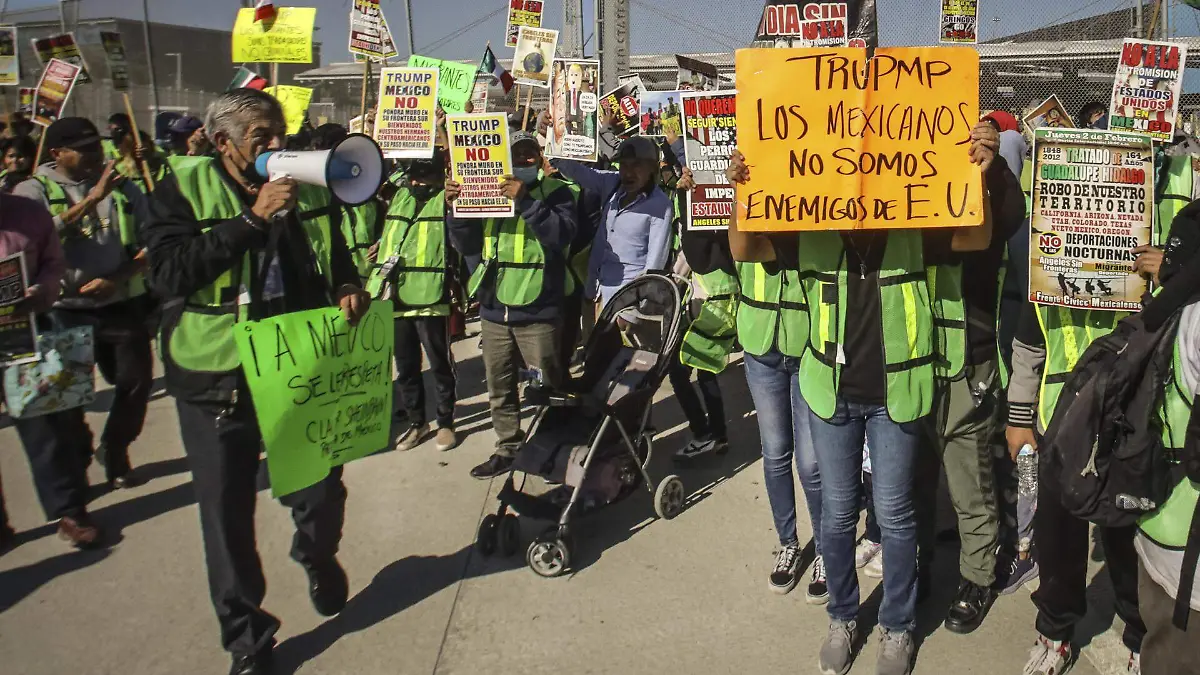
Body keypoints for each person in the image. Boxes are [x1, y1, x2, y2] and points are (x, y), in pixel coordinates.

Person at [726, 119, 1000, 675]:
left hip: (897, 392)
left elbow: (976, 236)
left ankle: (897, 629)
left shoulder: (915, 218)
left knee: (896, 515)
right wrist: (743, 190)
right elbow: (747, 246)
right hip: (829, 393)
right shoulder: (809, 220)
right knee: (834, 514)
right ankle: (843, 617)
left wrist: (977, 175)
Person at [142, 88, 370, 675]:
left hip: (295, 366)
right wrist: (251, 219)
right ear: (223, 144)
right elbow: (169, 274)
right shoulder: (180, 190)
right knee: (226, 516)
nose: (276, 147)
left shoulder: (306, 189)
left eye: (280, 135)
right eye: (260, 139)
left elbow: (335, 250)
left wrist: (346, 285)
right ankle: (249, 638)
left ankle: (316, 552)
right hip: (216, 377)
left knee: (321, 490)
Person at [917, 118, 1026, 635]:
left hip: (969, 350)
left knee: (969, 474)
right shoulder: (893, 182)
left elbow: (1008, 217)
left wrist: (995, 168)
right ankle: (917, 561)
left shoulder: (982, 175)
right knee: (910, 477)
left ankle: (978, 576)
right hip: (906, 357)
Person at [13, 117, 153, 489]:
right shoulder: (32, 191)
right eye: (85, 149)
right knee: (69, 399)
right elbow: (33, 240)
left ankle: (116, 447)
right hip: (62, 310)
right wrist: (93, 200)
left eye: (98, 147)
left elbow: (156, 237)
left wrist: (118, 277)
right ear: (58, 153)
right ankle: (78, 458)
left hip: (117, 303)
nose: (97, 155)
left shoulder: (123, 188)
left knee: (136, 381)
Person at [447, 131, 579, 479]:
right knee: (499, 387)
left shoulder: (558, 192)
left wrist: (525, 201)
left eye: (528, 155)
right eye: (515, 155)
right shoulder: (486, 190)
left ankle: (553, 450)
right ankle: (508, 447)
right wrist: (457, 210)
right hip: (495, 308)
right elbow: (465, 242)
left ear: (539, 158)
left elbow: (561, 235)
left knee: (549, 388)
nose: (522, 162)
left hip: (539, 309)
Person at [0, 190, 103, 549]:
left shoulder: (28, 213)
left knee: (44, 424)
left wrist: (40, 290)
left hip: (22, 333)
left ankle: (69, 511)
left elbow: (53, 262)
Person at [366, 149, 459, 452]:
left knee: (439, 363)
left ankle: (446, 423)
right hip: (395, 295)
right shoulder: (400, 196)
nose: (418, 181)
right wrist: (379, 249)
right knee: (405, 366)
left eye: (425, 174)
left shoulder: (448, 199)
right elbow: (394, 232)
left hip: (431, 295)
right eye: (414, 175)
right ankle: (417, 423)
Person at [553, 135, 674, 308]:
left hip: (626, 303)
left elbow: (655, 263)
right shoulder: (611, 183)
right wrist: (552, 136)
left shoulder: (660, 205)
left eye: (636, 165)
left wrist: (637, 307)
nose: (628, 172)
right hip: (595, 293)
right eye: (624, 165)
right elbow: (575, 172)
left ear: (652, 168)